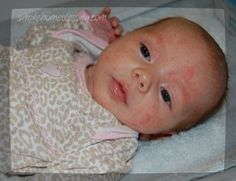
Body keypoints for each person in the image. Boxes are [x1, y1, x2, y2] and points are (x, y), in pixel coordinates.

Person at [7, 7, 227, 173]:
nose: (144, 77)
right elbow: (28, 41)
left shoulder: (108, 144)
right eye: (145, 52)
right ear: (125, 38)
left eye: (166, 95)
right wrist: (88, 30)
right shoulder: (74, 48)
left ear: (159, 134)